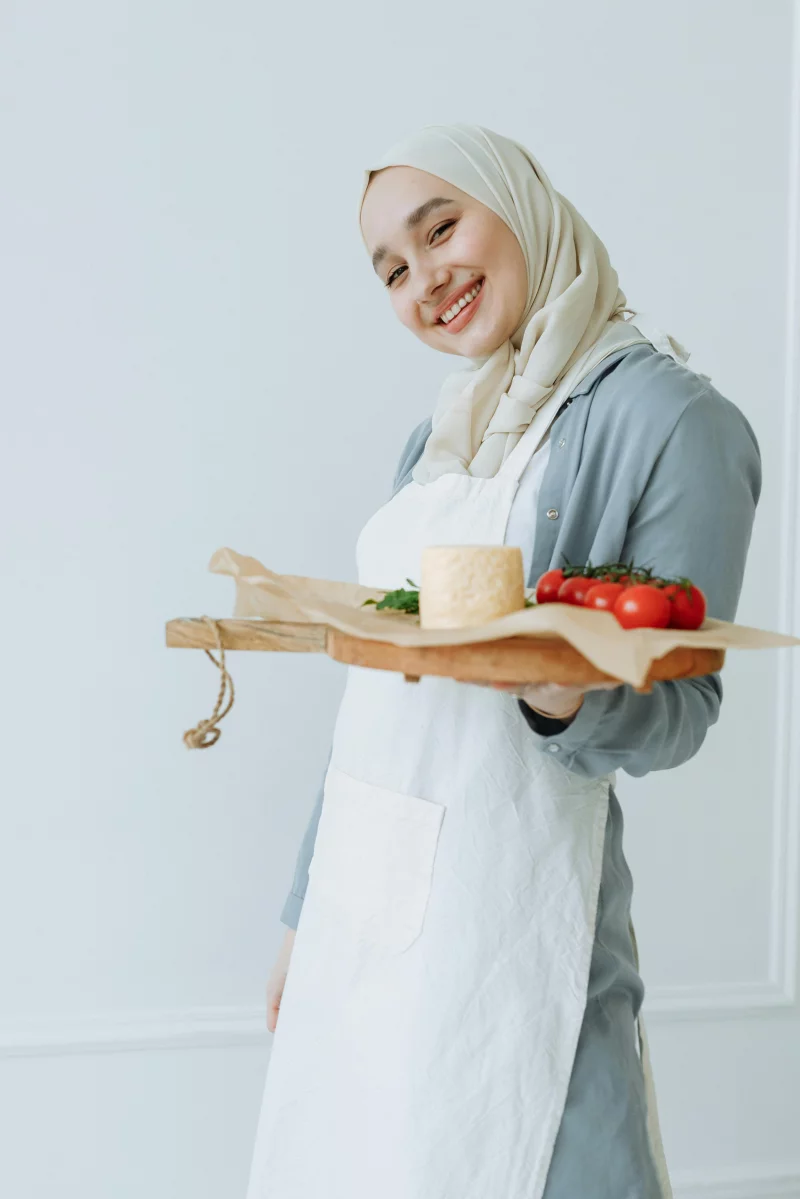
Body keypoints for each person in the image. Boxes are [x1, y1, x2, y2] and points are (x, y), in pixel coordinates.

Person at [246, 124, 761, 1199]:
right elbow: (373, 698)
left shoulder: (670, 418)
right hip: (363, 907)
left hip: (519, 916)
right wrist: (307, 910)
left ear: (516, 203)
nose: (424, 277)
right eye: (391, 268)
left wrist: (556, 690)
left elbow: (685, 704)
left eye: (442, 228)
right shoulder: (437, 438)